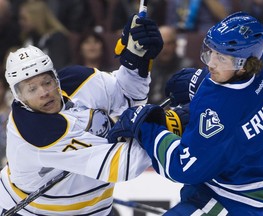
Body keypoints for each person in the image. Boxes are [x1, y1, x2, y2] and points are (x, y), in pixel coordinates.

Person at [107, 12, 263, 215]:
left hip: (234, 199)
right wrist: (200, 81)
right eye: (211, 52)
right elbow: (250, 96)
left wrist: (146, 128)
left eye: (222, 58)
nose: (211, 63)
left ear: (244, 65)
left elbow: (182, 167)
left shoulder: (219, 108)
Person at [0, 14, 163, 216]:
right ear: (19, 98)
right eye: (31, 89)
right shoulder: (34, 132)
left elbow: (128, 95)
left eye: (46, 82)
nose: (44, 92)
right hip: (32, 212)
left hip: (94, 207)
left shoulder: (78, 81)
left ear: (56, 78)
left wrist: (136, 60)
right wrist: (167, 129)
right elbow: (123, 165)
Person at [18, 0, 71, 70]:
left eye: (24, 19)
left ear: (36, 18)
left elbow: (58, 67)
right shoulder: (28, 38)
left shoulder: (57, 39)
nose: (20, 22)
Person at [148, 25, 194, 105]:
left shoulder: (187, 69)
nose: (165, 48)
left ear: (176, 44)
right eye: (161, 44)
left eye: (169, 43)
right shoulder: (147, 66)